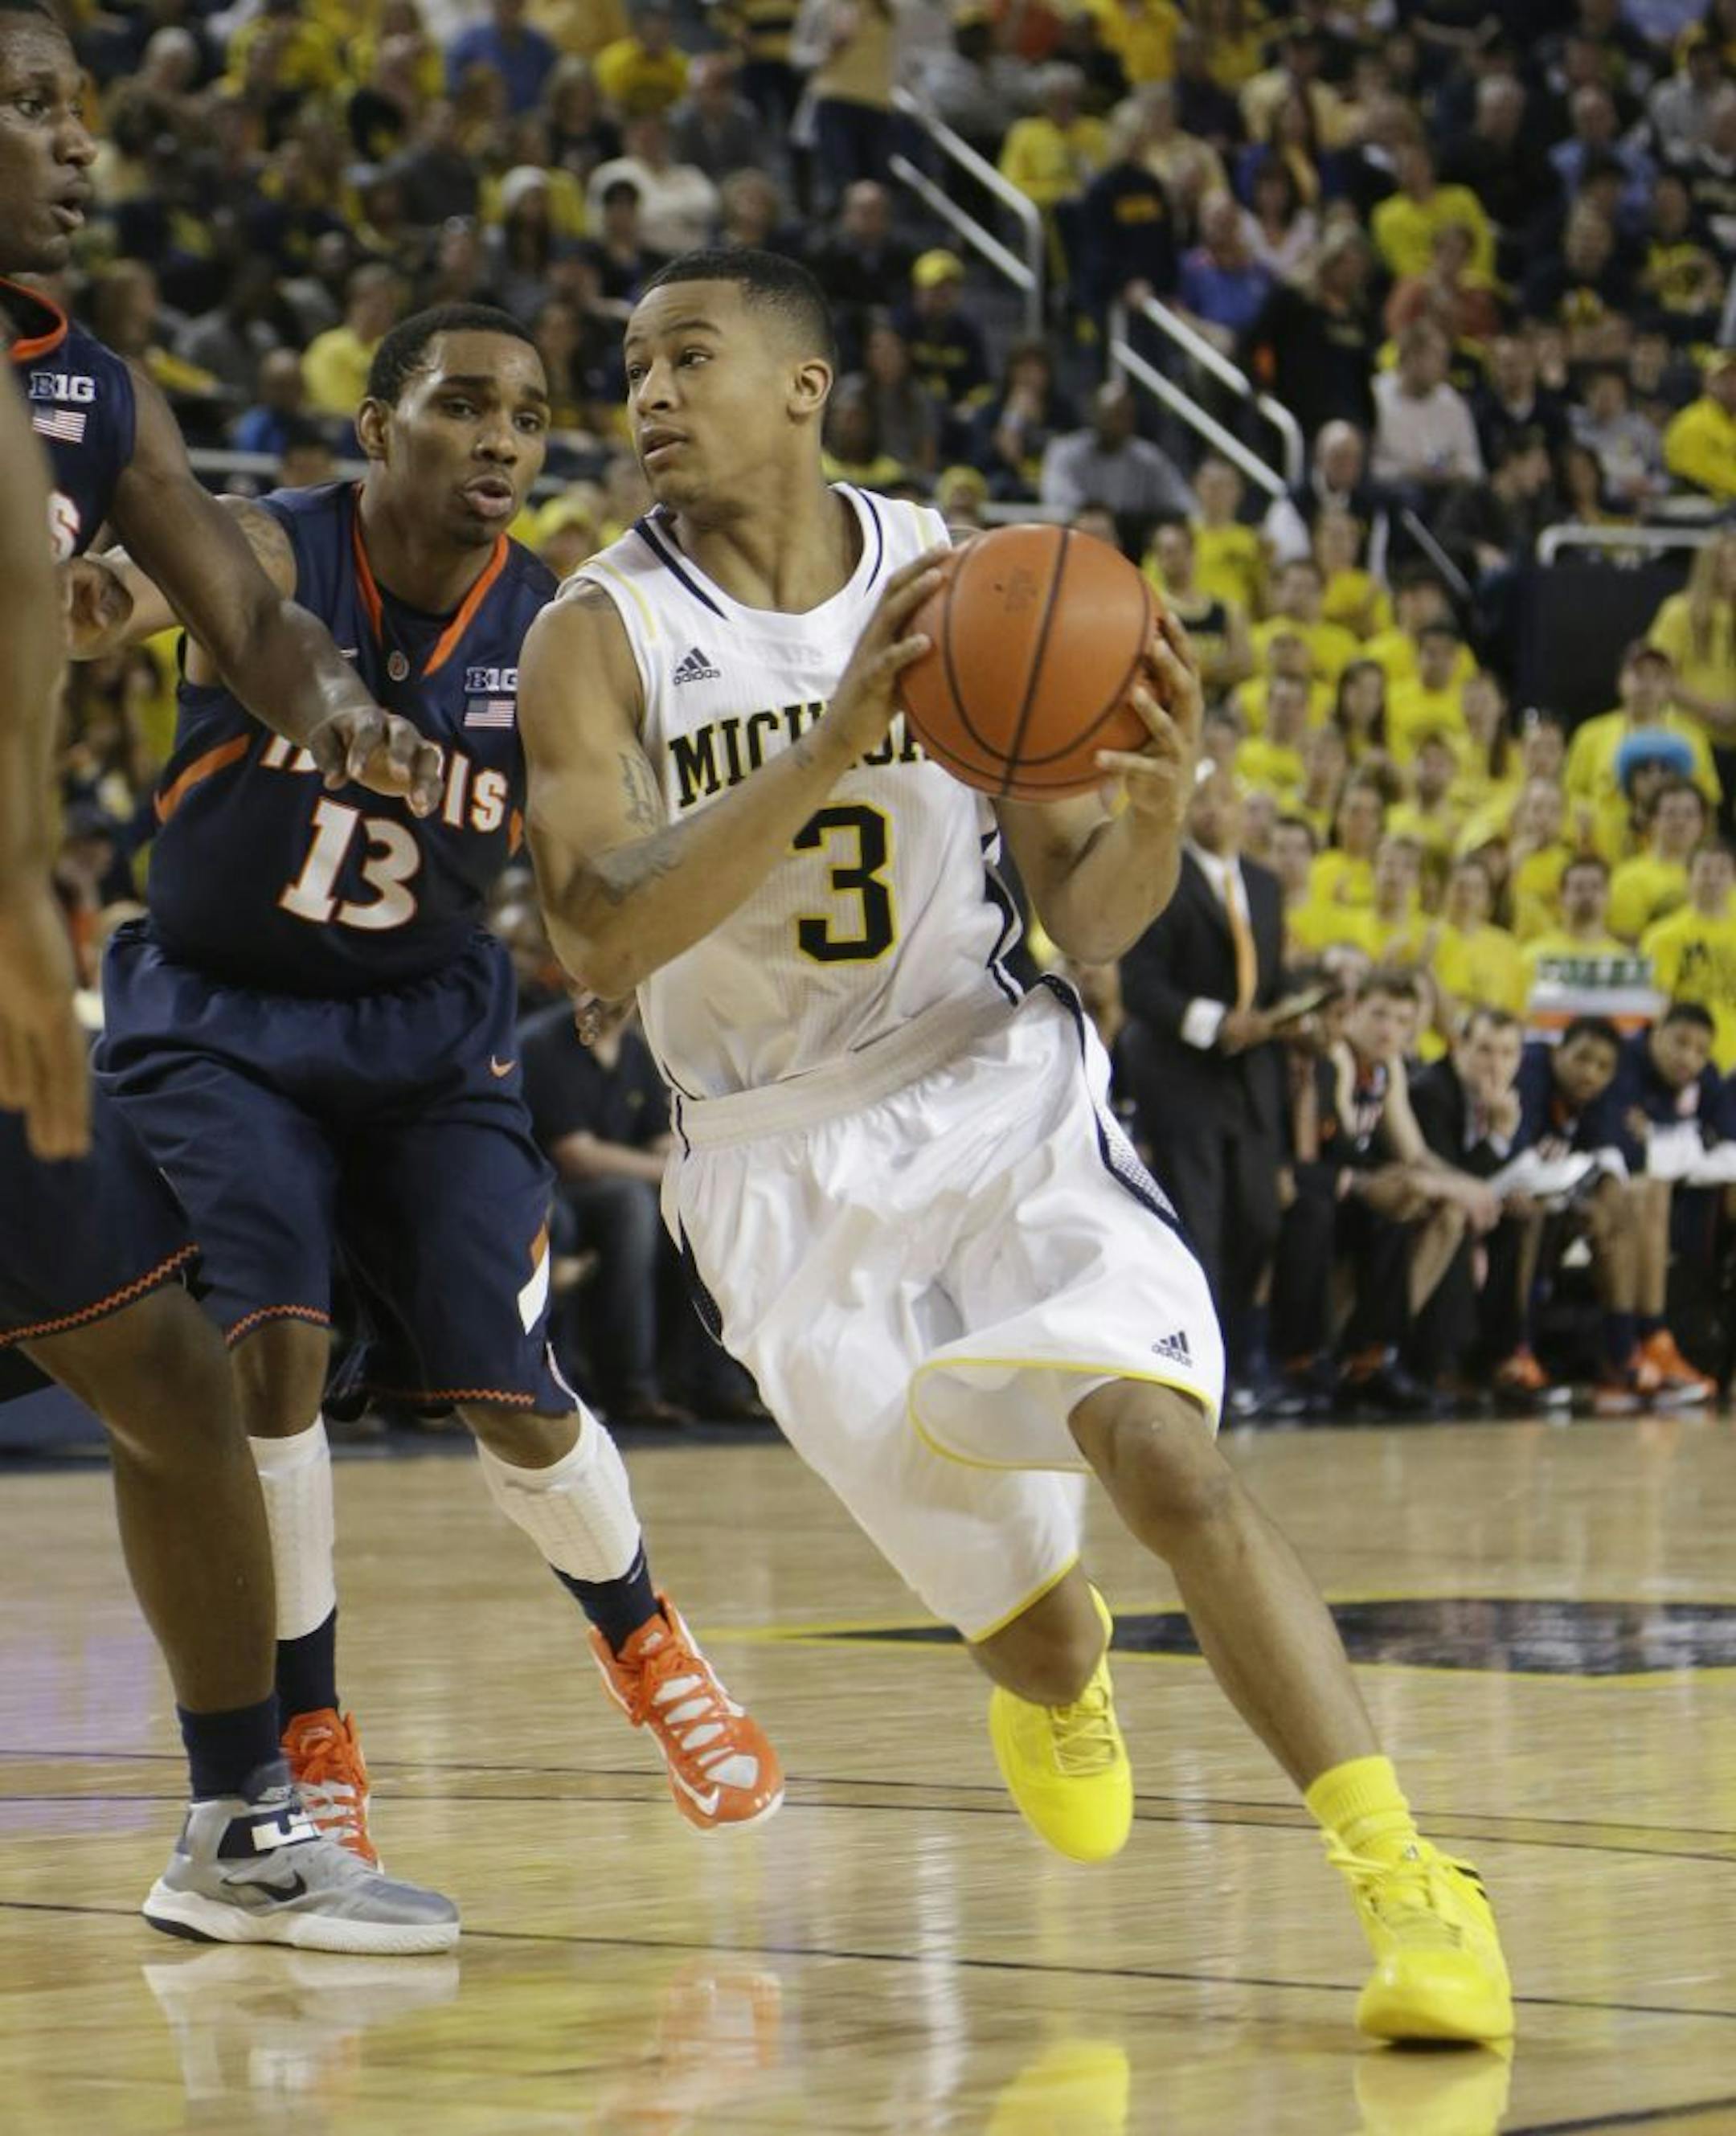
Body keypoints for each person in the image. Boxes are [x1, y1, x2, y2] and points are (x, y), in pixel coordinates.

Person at [515, 245, 1513, 2046]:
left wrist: (1155, 805)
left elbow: (1094, 918)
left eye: (689, 358)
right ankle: (1060, 1682)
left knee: (1172, 1463)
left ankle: (1409, 1884)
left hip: (997, 1085)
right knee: (1048, 1637)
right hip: (772, 1161)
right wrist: (828, 745)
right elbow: (597, 937)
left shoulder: (967, 582)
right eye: (633, 364)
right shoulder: (597, 634)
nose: (647, 395)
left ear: (808, 387)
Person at [83, 305, 782, 1860]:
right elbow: (144, 586)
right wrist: (91, 593)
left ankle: (647, 1638)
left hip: (424, 1031)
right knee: (271, 1339)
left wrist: (623, 959)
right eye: (463, 407)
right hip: (221, 1016)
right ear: (378, 425)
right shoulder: (270, 542)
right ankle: (308, 1719)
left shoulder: (555, 632)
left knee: (506, 1383)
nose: (501, 443)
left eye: (529, 419)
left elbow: (603, 849)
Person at [0, 7, 454, 1951]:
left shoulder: (87, 392)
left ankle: (238, 1821)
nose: (74, 146)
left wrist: (338, 706)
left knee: (170, 1374)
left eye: (79, 111)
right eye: (25, 109)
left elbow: (247, 606)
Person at [1118, 768, 1286, 1410]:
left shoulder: (1267, 888)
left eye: (1225, 800)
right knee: (1201, 1225)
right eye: (1202, 800)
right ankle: (1204, 1372)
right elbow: (1141, 987)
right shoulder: (1162, 879)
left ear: (1245, 811)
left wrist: (1295, 1012)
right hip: (1182, 1075)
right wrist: (1216, 1024)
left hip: (1252, 1077)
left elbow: (1268, 979)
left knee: (1260, 1220)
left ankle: (1244, 1356)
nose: (1214, 812)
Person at [1641, 841, 1736, 1070]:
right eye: (1705, 870)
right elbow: (1657, 1007)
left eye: (1722, 871)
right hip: (1687, 1059)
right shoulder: (1662, 936)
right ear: (1689, 876)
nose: (1713, 879)